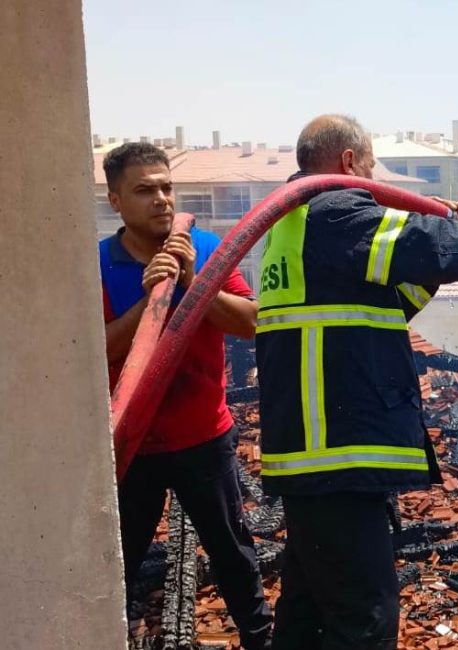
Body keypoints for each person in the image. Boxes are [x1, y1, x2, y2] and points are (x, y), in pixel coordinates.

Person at [256, 114, 458, 650]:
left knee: (309, 612)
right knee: (365, 622)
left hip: (314, 454)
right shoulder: (332, 210)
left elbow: (386, 302)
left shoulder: (292, 225)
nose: (375, 179)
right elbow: (421, 244)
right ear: (350, 162)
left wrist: (440, 266)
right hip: (338, 454)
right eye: (373, 166)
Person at [99, 142, 273, 649]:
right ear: (115, 201)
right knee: (120, 554)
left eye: (166, 187)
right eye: (144, 190)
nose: (161, 200)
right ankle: (117, 632)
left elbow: (252, 322)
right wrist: (150, 300)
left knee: (232, 553)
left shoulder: (207, 247)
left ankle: (260, 639)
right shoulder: (100, 266)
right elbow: (93, 350)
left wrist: (196, 282)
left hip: (203, 436)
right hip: (133, 440)